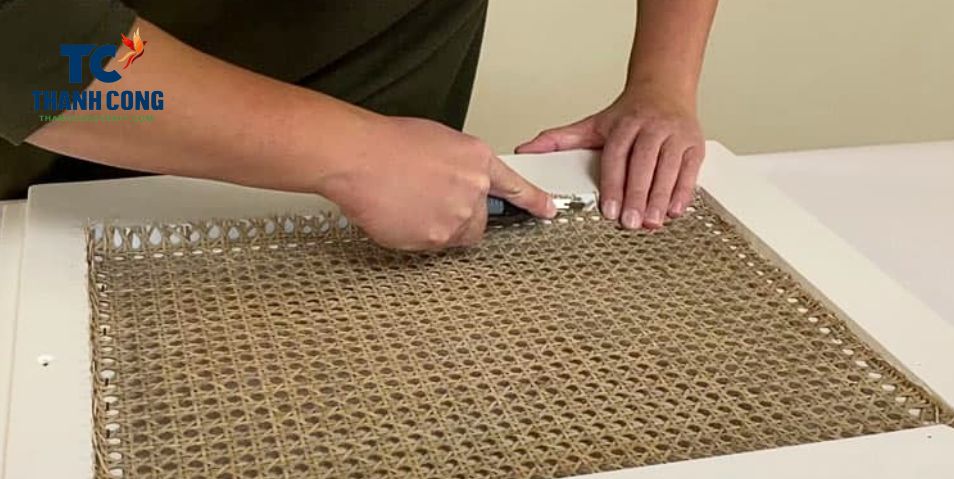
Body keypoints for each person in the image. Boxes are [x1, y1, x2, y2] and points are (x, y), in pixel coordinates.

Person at [0, 0, 717, 251]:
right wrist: (351, 153)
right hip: (69, 188)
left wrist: (662, 83)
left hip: (387, 215)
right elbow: (22, 32)